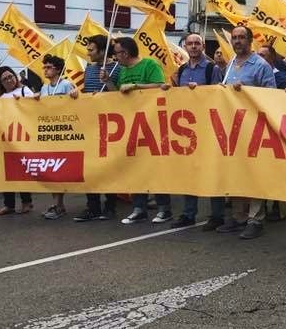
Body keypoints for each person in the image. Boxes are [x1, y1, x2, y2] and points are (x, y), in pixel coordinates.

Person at [215, 25, 278, 239]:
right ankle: (239, 216)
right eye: (234, 37)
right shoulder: (231, 63)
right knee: (236, 173)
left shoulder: (261, 65)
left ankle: (255, 219)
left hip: (253, 128)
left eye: (242, 37)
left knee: (254, 174)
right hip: (232, 128)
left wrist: (248, 92)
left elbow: (272, 96)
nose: (237, 41)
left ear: (250, 41)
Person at [100, 37, 166, 225]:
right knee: (135, 167)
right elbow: (119, 96)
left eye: (117, 53)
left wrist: (136, 86)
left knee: (155, 168)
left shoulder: (149, 65)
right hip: (131, 126)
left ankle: (164, 208)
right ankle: (139, 208)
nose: (115, 57)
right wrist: (109, 83)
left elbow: (160, 87)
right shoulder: (122, 71)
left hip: (152, 124)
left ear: (126, 53)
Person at [163, 32, 225, 229]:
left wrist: (199, 92)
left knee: (212, 171)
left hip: (207, 127)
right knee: (188, 172)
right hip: (187, 131)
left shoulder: (211, 69)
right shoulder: (180, 71)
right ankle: (188, 214)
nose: (193, 46)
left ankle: (217, 216)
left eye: (197, 43)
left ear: (203, 46)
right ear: (186, 47)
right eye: (190, 43)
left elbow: (219, 95)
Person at [71, 34, 122, 222]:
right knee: (88, 167)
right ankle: (92, 207)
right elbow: (86, 92)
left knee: (108, 168)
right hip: (90, 124)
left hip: (110, 125)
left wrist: (108, 81)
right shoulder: (89, 68)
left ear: (102, 51)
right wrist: (77, 94)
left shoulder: (117, 68)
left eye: (91, 49)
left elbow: (119, 96)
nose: (88, 53)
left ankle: (110, 206)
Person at [34, 54, 76, 220]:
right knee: (52, 169)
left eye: (49, 67)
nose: (45, 69)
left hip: (64, 132)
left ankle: (59, 204)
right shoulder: (45, 88)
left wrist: (74, 94)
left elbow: (75, 101)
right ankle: (57, 204)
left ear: (58, 69)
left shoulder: (65, 84)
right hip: (50, 133)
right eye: (44, 67)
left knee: (60, 169)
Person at [0, 67, 36, 215]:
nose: (9, 80)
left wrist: (22, 102)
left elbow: (34, 107)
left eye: (11, 76)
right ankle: (8, 204)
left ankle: (27, 202)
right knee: (6, 171)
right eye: (5, 79)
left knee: (21, 170)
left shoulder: (24, 91)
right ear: (0, 82)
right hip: (5, 137)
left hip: (22, 136)